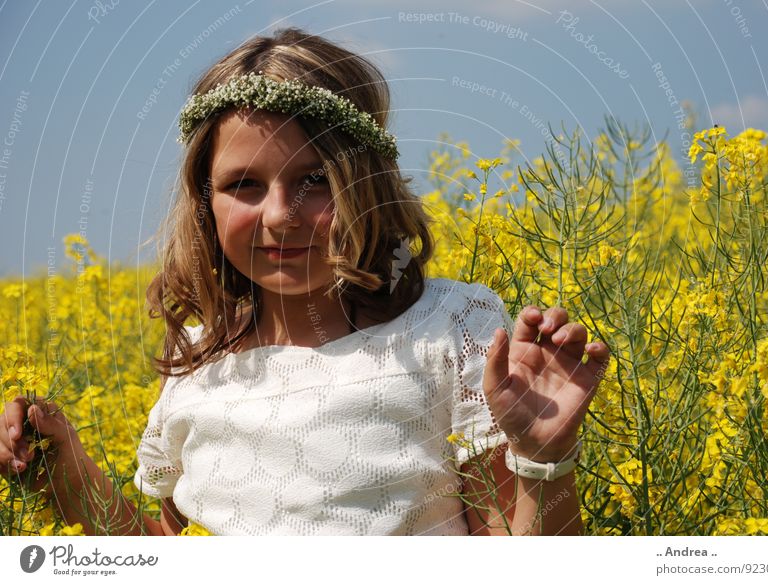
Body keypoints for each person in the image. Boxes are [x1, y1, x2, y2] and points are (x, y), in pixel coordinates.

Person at [0, 27, 610, 536]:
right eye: (244, 185)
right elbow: (164, 552)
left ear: (368, 186)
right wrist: (64, 464)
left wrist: (543, 461)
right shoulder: (198, 361)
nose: (279, 216)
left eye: (316, 180)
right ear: (204, 202)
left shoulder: (448, 331)